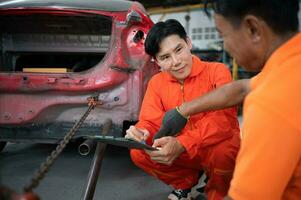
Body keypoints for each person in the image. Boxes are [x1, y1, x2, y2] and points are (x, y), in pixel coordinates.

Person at [158, 1, 301, 199]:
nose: (224, 45)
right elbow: (242, 88)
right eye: (164, 57)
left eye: (223, 35)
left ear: (253, 29)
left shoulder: (269, 102)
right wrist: (183, 110)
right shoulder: (291, 65)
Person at [125, 19, 240, 200]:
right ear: (156, 62)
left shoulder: (217, 71)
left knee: (223, 152)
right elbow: (150, 120)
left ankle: (216, 190)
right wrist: (142, 132)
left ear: (188, 42)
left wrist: (183, 143)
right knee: (138, 152)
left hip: (211, 148)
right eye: (165, 57)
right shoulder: (156, 83)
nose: (176, 62)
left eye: (178, 50)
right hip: (182, 151)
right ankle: (185, 182)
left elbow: (223, 121)